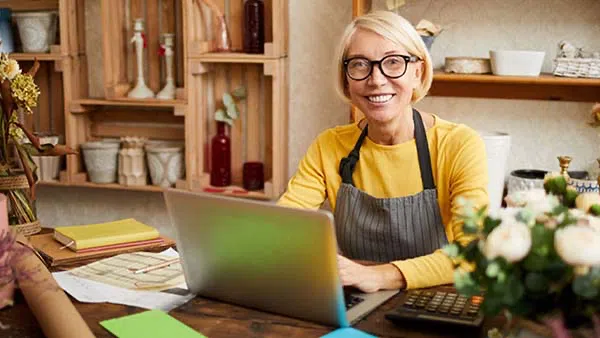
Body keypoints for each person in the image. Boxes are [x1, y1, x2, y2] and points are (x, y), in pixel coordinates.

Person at [277, 11, 489, 292]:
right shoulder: (329, 146)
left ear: (418, 72)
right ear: (346, 79)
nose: (376, 80)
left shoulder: (459, 145)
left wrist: (377, 277)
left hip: (432, 304)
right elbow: (282, 227)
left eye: (393, 62)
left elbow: (470, 254)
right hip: (356, 301)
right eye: (360, 65)